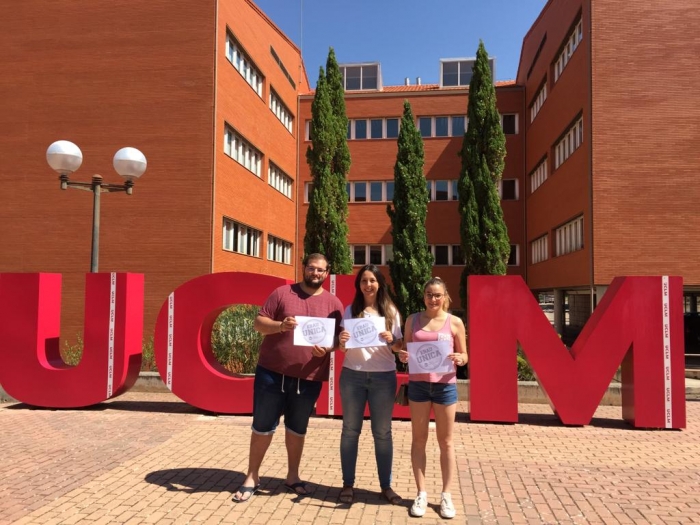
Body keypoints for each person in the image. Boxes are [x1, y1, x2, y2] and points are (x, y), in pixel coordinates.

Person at [232, 253, 344, 503]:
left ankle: (292, 476)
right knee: (262, 427)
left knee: (297, 429)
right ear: (304, 268)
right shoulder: (282, 293)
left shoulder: (334, 303)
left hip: (308, 377)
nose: (316, 273)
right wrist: (280, 326)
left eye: (321, 270)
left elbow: (339, 340)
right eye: (312, 268)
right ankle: (252, 476)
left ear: (327, 273)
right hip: (272, 373)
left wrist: (328, 348)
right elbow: (259, 323)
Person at [398, 277, 468, 519]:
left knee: (446, 442)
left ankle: (446, 496)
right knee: (419, 440)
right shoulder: (412, 320)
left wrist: (460, 358)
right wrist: (404, 357)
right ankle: (421, 493)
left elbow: (465, 355)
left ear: (445, 296)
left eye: (438, 295)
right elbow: (405, 351)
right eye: (429, 294)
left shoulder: (455, 322)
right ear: (424, 296)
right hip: (418, 386)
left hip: (445, 387)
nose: (433, 299)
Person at [336, 264, 403, 505]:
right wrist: (342, 341)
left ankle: (386, 486)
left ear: (380, 283)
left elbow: (398, 347)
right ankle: (347, 484)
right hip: (352, 375)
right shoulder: (350, 310)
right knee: (350, 431)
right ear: (359, 285)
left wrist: (391, 340)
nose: (368, 285)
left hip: (383, 377)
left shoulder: (391, 311)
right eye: (364, 280)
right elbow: (343, 347)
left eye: (372, 280)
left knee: (383, 433)